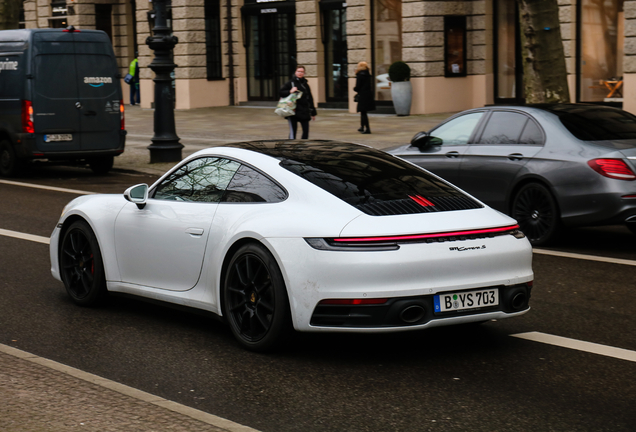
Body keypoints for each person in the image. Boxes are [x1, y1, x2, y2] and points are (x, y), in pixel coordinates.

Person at [279, 65, 317, 139]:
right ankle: (291, 147)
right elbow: (281, 92)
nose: (300, 73)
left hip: (304, 111)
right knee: (293, 133)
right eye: (298, 71)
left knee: (306, 132)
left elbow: (310, 98)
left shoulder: (306, 85)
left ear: (304, 73)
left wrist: (313, 112)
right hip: (293, 111)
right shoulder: (290, 83)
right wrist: (290, 91)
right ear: (295, 72)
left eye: (302, 72)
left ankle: (303, 146)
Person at [354, 61, 375, 134]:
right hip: (368, 94)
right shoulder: (368, 75)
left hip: (362, 95)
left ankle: (367, 129)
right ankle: (362, 127)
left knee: (363, 112)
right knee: (363, 111)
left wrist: (355, 88)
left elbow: (357, 87)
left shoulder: (360, 75)